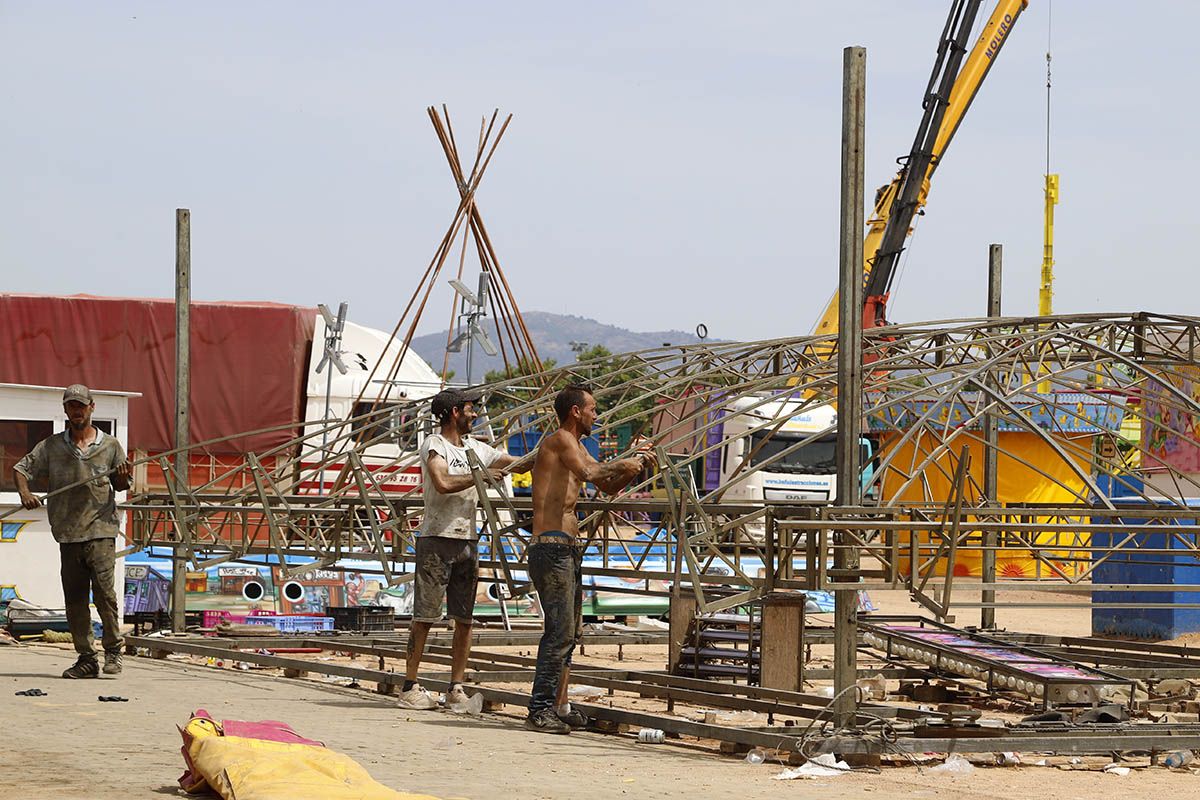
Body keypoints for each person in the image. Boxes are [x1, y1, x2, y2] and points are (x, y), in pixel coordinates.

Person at [525, 385, 656, 734]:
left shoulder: (578, 446)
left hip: (566, 547)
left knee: (568, 633)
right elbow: (588, 474)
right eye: (593, 409)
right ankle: (539, 709)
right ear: (575, 412)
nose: (596, 416)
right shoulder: (560, 440)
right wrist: (624, 461)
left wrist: (634, 466)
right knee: (559, 633)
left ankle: (558, 704)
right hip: (551, 547)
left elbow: (607, 486)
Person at [398, 388, 520, 710]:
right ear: (454, 412)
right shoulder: (434, 446)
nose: (475, 414)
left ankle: (456, 686)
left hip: (467, 541)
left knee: (464, 618)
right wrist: (480, 476)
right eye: (470, 409)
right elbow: (443, 483)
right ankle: (410, 684)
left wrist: (550, 450)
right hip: (436, 539)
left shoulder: (475, 448)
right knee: (425, 616)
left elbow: (516, 463)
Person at [12, 384, 132, 679]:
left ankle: (113, 650)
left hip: (101, 529)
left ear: (92, 407)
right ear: (65, 410)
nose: (77, 411)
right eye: (71, 406)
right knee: (75, 598)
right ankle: (87, 658)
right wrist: (25, 493)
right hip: (68, 532)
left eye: (81, 405)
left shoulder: (111, 446)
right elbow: (20, 469)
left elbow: (122, 486)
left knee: (105, 595)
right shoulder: (52, 446)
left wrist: (123, 478)